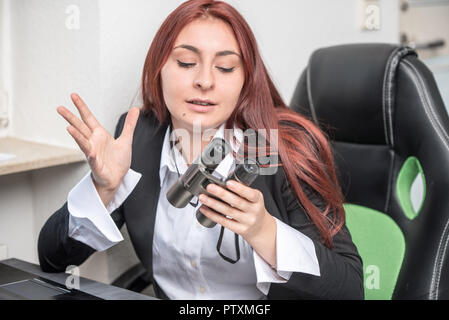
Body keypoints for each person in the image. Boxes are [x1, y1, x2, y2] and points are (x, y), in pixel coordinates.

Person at [38, 0, 364, 299]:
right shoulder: (140, 138)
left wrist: (263, 230)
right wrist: (103, 190)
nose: (205, 81)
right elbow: (52, 258)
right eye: (186, 62)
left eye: (225, 68)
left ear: (245, 80)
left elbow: (350, 289)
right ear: (159, 69)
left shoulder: (283, 146)